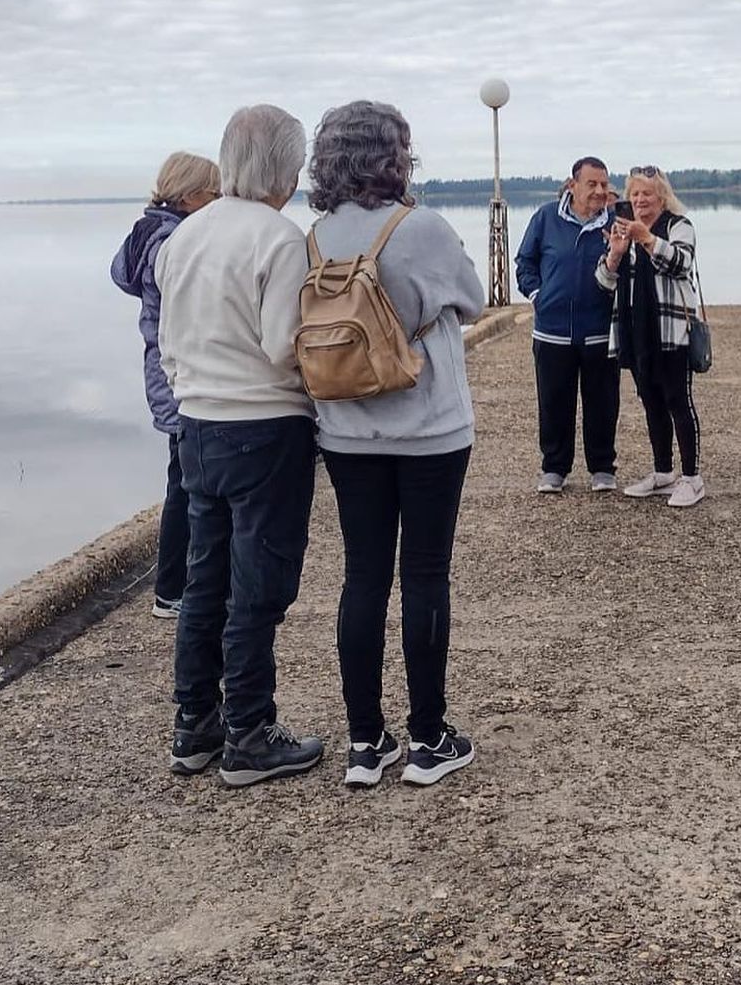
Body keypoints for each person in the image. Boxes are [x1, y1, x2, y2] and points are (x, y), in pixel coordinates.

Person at [307, 100, 485, 790]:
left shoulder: (315, 237)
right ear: (396, 156)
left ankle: (363, 741)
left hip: (347, 430)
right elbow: (471, 299)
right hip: (430, 429)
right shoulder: (423, 228)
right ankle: (428, 737)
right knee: (425, 576)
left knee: (363, 576)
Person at [155, 104, 324, 788]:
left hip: (198, 424)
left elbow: (169, 343)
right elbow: (285, 345)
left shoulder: (183, 237)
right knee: (260, 585)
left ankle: (195, 723)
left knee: (205, 579)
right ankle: (250, 730)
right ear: (286, 168)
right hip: (265, 425)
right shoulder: (280, 240)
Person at [110, 152, 220, 617]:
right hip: (179, 375)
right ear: (191, 195)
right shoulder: (173, 243)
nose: (218, 203)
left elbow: (120, 276)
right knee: (187, 487)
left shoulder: (144, 233)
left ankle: (172, 587)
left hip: (159, 370)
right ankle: (171, 590)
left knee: (182, 481)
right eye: (214, 195)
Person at [596, 167, 704, 507]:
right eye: (635, 194)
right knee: (651, 403)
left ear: (662, 196)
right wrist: (615, 253)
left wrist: (646, 238)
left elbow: (681, 264)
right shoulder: (624, 231)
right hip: (635, 331)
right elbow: (602, 283)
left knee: (678, 401)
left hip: (672, 332)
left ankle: (692, 478)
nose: (640, 200)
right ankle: (662, 473)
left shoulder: (678, 226)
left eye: (647, 194)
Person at [514, 157, 619, 495]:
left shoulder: (616, 222)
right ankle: (554, 468)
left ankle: (602, 467)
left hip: (599, 329)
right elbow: (525, 262)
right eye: (592, 184)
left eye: (604, 184)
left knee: (602, 402)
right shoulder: (546, 217)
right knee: (554, 400)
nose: (599, 191)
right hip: (552, 330)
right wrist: (538, 295)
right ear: (573, 185)